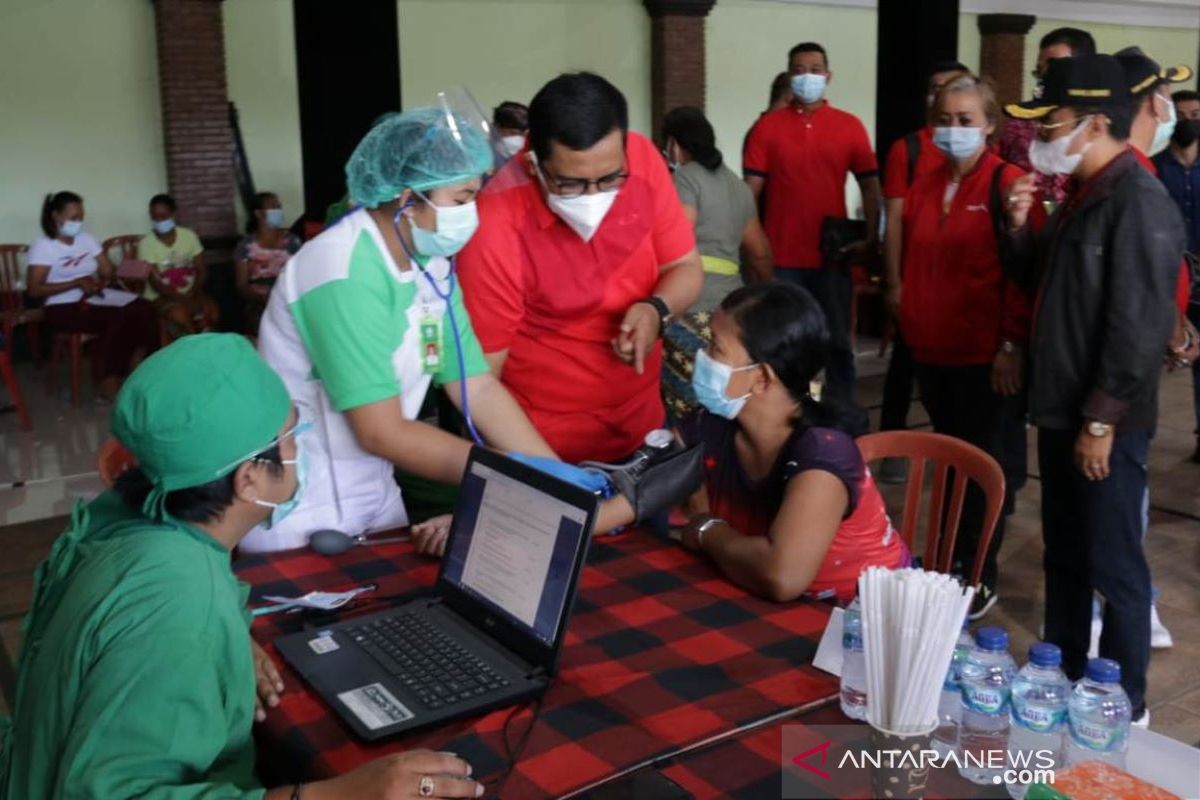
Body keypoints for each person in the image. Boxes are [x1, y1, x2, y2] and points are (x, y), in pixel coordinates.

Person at [0, 334, 484, 800]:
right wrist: (333, 795)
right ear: (249, 478)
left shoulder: (135, 521)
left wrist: (231, 633)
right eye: (293, 436)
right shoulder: (180, 603)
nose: (300, 450)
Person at [246, 106, 643, 554]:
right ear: (407, 198)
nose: (471, 213)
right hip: (304, 505)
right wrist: (517, 475)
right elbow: (381, 430)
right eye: (461, 199)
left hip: (375, 490)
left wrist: (554, 477)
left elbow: (477, 386)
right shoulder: (341, 270)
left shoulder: (430, 266)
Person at [1003, 55, 1185, 727]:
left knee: (1114, 563)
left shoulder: (1139, 200)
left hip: (1101, 419)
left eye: (1051, 122)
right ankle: (1065, 669)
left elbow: (1137, 325)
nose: (1040, 135)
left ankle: (1126, 699)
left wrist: (1101, 421)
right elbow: (1050, 290)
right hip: (1061, 408)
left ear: (1095, 123)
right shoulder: (1083, 191)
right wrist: (1022, 227)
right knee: (1067, 553)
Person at [457, 72, 703, 464]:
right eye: (569, 184)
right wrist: (554, 479)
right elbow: (481, 384)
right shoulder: (495, 224)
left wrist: (656, 309)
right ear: (534, 162)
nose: (594, 197)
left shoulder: (643, 161)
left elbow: (685, 266)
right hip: (544, 448)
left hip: (641, 431)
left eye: (609, 179)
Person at [676, 282, 907, 604]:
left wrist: (706, 528)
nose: (700, 357)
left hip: (860, 626)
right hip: (762, 605)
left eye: (715, 347)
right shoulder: (712, 425)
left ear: (761, 378)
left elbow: (782, 576)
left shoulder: (824, 453)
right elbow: (640, 487)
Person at [899, 75, 1030, 619]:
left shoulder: (1008, 183)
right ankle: (948, 557)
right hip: (934, 351)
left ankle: (978, 574)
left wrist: (1009, 344)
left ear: (990, 125)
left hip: (985, 356)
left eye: (965, 120)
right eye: (944, 120)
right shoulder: (926, 181)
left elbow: (1022, 277)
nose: (953, 130)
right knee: (949, 466)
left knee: (983, 468)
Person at [744, 42, 881, 415]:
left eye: (815, 69)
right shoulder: (767, 129)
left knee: (836, 342)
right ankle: (792, 416)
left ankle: (843, 417)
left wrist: (872, 236)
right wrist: (756, 252)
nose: (808, 76)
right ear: (789, 76)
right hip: (781, 257)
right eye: (800, 69)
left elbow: (871, 185)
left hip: (832, 256)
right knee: (785, 345)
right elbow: (749, 196)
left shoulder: (849, 126)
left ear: (828, 76)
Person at [878, 60, 970, 483]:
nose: (942, 96)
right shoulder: (909, 149)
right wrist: (894, 280)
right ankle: (893, 448)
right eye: (935, 89)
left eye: (952, 88)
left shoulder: (985, 158)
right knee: (905, 366)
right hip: (916, 281)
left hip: (963, 288)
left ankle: (956, 454)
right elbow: (893, 220)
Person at [27, 191, 160, 401]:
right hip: (61, 306)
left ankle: (143, 368)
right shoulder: (45, 246)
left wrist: (136, 268)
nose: (78, 222)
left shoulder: (86, 239)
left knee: (146, 308)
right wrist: (76, 282)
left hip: (95, 297)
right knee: (119, 316)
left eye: (81, 217)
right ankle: (108, 382)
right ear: (55, 216)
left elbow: (108, 271)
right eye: (73, 218)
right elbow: (34, 289)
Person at [663, 106, 773, 309]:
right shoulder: (739, 187)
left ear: (674, 146)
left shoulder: (683, 179)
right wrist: (768, 294)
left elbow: (675, 240)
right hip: (730, 306)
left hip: (690, 303)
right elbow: (760, 254)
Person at [998, 26, 1096, 210]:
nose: (1045, 78)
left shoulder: (1097, 129)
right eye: (1040, 71)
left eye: (1056, 68)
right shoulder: (1017, 126)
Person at [1155, 89, 1200, 462]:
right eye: (1181, 114)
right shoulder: (1153, 168)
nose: (1188, 121)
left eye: (1195, 114)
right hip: (1168, 279)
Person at [137, 193, 219, 340]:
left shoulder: (188, 236)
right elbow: (156, 283)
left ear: (173, 214)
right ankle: (189, 348)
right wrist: (184, 299)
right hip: (161, 296)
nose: (160, 220)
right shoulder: (146, 244)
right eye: (155, 217)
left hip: (192, 292)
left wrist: (195, 292)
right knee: (179, 315)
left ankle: (205, 345)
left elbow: (201, 269)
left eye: (164, 216)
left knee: (211, 311)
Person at [235, 191, 301, 334]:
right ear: (258, 214)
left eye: (279, 206)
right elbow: (241, 285)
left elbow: (301, 274)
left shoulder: (293, 242)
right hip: (259, 304)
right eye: (273, 207)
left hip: (288, 300)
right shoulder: (245, 246)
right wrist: (264, 300)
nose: (278, 210)